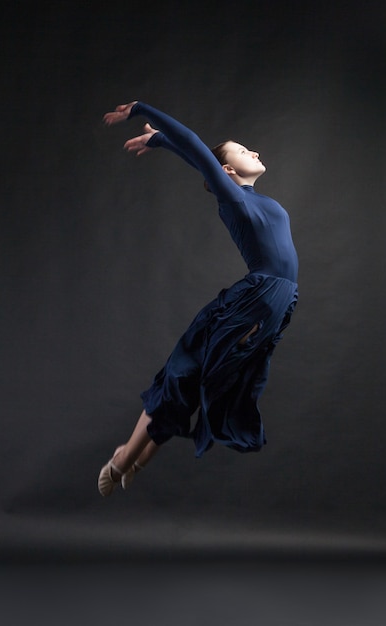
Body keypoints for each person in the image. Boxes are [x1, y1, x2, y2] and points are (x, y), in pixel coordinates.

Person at [98, 100, 298, 496]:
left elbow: (196, 155)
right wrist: (140, 109)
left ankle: (129, 458)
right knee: (185, 371)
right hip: (256, 300)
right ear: (226, 171)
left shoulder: (252, 198)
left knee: (198, 375)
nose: (254, 152)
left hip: (267, 302)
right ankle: (127, 460)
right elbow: (196, 148)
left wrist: (160, 142)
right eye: (243, 152)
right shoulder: (236, 199)